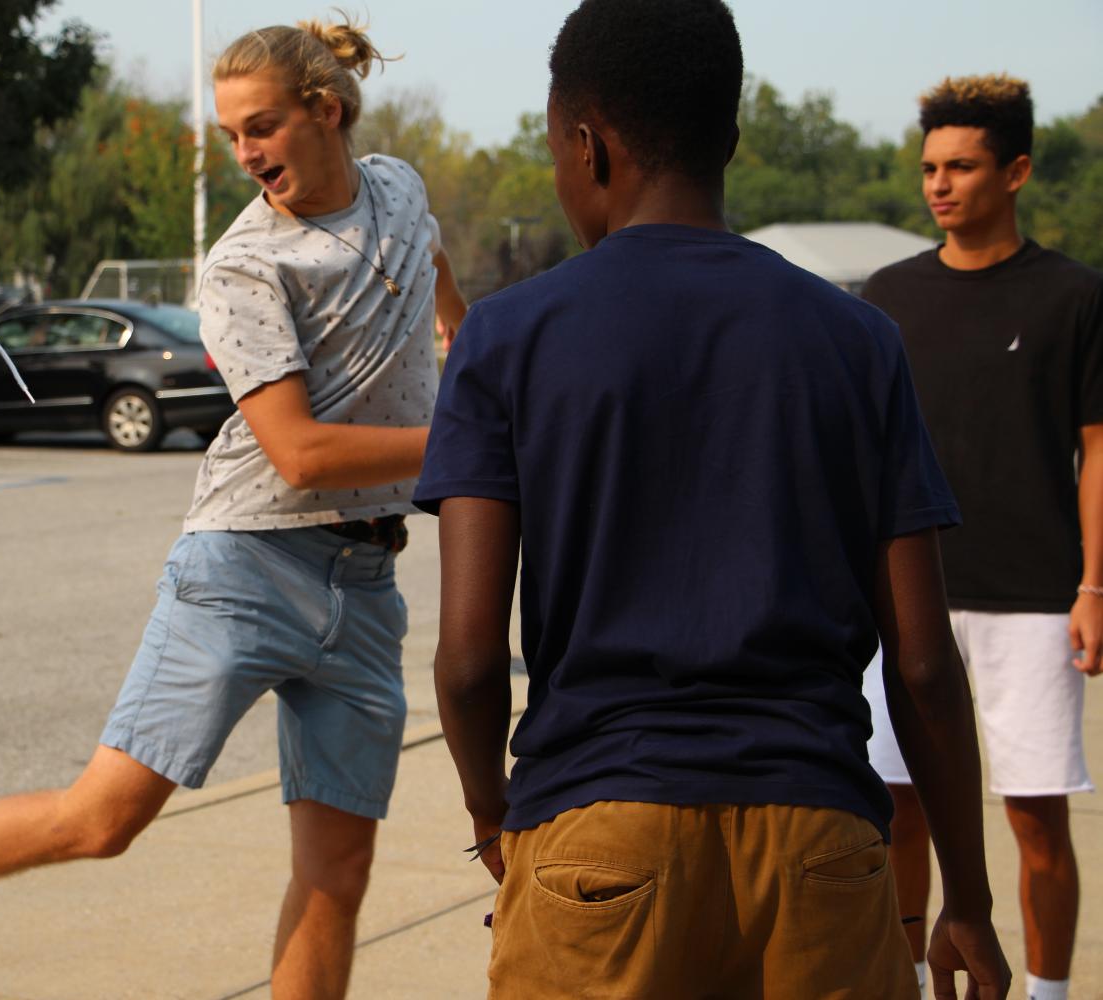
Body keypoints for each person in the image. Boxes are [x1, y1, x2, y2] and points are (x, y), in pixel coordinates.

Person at [413, 0, 1011, 996]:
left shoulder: (508, 337)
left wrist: (496, 818)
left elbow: (471, 661)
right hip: (820, 839)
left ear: (586, 145)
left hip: (599, 834)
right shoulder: (858, 339)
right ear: (729, 139)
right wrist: (972, 903)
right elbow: (922, 663)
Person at [0, 14, 466, 998]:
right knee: (102, 821)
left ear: (326, 110)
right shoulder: (247, 263)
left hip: (370, 580)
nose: (246, 154)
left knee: (339, 876)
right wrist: (473, 440)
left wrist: (476, 357)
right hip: (247, 565)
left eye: (260, 128)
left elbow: (434, 275)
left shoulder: (400, 187)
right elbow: (297, 454)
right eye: (230, 137)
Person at [861, 74, 1102, 1000]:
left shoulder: (1074, 297)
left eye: (961, 165)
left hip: (1034, 600)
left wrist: (1094, 590)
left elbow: (1097, 449)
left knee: (1038, 820)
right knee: (898, 809)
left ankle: (1044, 993)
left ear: (1018, 170)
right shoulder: (888, 295)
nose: (940, 184)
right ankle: (906, 982)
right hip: (902, 597)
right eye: (929, 167)